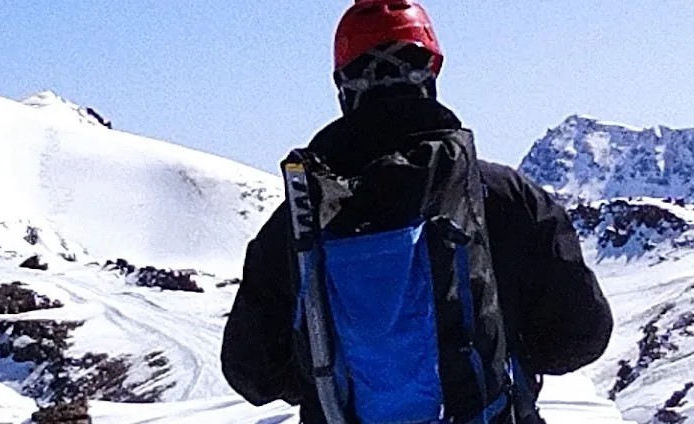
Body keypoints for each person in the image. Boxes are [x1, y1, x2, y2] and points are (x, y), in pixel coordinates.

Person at [221, 1, 612, 423]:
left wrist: (329, 379)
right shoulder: (506, 196)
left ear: (344, 87)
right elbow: (582, 334)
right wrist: (499, 350)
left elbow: (251, 371)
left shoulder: (300, 218)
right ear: (430, 73)